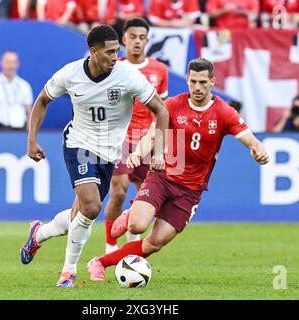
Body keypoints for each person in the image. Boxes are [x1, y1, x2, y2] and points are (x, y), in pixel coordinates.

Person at [86, 57, 270, 281]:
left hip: (190, 191)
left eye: (203, 82)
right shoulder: (173, 104)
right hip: (162, 177)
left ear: (212, 81)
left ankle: (99, 262)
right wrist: (137, 153)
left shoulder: (223, 112)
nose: (198, 88)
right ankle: (133, 214)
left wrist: (259, 150)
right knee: (137, 226)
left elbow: (251, 139)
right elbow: (152, 135)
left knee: (154, 243)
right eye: (193, 82)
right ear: (187, 80)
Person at [20, 24, 169, 288]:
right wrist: (31, 140)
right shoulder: (70, 73)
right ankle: (68, 273)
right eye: (110, 52)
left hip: (109, 154)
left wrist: (161, 148)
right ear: (93, 52)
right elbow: (43, 100)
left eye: (116, 51)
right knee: (91, 207)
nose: (115, 57)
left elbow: (161, 110)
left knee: (79, 217)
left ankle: (38, 234)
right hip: (78, 142)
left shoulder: (128, 76)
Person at [103, 18, 169, 254]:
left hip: (147, 140)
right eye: (133, 37)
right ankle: (110, 246)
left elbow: (162, 110)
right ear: (123, 39)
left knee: (146, 198)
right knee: (118, 191)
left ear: (147, 40)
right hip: (121, 138)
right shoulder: (114, 68)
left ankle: (131, 247)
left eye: (142, 37)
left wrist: (159, 146)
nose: (137, 42)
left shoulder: (159, 70)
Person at [0, 51, 33, 131]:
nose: (11, 66)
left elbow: (29, 110)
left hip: (20, 127)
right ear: (1, 62)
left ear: (18, 64)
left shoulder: (24, 85)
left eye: (14, 62)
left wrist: (30, 131)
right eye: (8, 62)